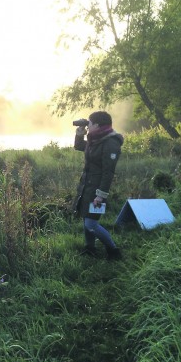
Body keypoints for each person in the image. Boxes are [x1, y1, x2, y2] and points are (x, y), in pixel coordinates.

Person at [73, 111, 123, 260]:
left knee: (91, 223)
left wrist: (100, 196)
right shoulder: (95, 140)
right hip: (87, 187)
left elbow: (108, 173)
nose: (87, 125)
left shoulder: (110, 143)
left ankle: (113, 251)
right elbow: (80, 146)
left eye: (89, 123)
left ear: (97, 125)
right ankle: (90, 248)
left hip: (98, 191)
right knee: (86, 218)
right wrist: (80, 133)